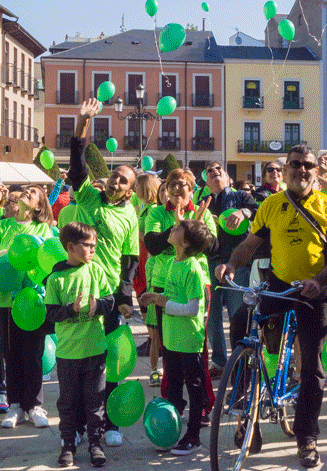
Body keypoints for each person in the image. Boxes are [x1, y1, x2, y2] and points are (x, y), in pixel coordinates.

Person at [215, 144, 327, 468]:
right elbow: (249, 245)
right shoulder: (272, 205)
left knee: (312, 370)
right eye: (295, 164)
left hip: (316, 291)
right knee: (260, 352)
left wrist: (319, 280)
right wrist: (231, 263)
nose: (302, 170)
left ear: (317, 171)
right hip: (279, 285)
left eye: (308, 165)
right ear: (285, 170)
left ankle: (306, 438)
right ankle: (253, 415)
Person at [68, 98, 140, 448]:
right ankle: (81, 424)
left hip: (109, 295)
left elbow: (131, 259)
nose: (115, 182)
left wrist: (125, 297)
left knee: (108, 362)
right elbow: (78, 167)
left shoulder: (130, 216)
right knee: (82, 361)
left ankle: (109, 421)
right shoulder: (90, 199)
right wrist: (83, 123)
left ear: (130, 190)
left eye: (123, 180)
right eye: (114, 175)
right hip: (80, 290)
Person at [140, 219, 214, 455]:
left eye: (178, 229)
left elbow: (193, 309)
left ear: (188, 242)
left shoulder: (193, 268)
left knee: (194, 389)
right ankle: (170, 433)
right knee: (172, 388)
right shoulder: (173, 261)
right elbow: (173, 296)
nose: (172, 229)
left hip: (189, 341)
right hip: (171, 339)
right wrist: (153, 296)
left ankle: (193, 437)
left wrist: (163, 302)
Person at [45, 222, 113, 468]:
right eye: (88, 245)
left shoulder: (96, 270)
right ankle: (68, 443)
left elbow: (110, 299)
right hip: (68, 353)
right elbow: (50, 314)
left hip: (95, 348)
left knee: (95, 402)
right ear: (71, 247)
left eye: (95, 245)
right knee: (68, 402)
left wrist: (98, 306)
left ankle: (96, 443)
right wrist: (70, 310)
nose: (93, 249)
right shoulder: (55, 279)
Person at [0, 185, 53, 429]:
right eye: (26, 189)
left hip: (32, 301)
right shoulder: (1, 226)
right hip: (6, 299)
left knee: (33, 354)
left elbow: (47, 262)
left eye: (34, 192)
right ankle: (15, 404)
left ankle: (35, 405)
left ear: (39, 206)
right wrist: (10, 253)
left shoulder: (43, 229)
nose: (27, 191)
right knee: (11, 353)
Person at [202, 162, 259, 372]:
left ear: (228, 178)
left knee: (238, 315)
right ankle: (219, 361)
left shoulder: (241, 197)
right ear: (206, 182)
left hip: (237, 263)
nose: (214, 172)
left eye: (219, 169)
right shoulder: (203, 201)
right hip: (211, 262)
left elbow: (256, 210)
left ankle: (240, 361)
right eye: (210, 171)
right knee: (212, 316)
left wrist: (243, 212)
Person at [132, 174, 162, 386]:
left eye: (136, 185)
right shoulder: (143, 207)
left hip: (148, 259)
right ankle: (151, 340)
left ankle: (154, 342)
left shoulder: (152, 210)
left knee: (147, 298)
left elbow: (149, 238)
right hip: (140, 257)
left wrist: (137, 228)